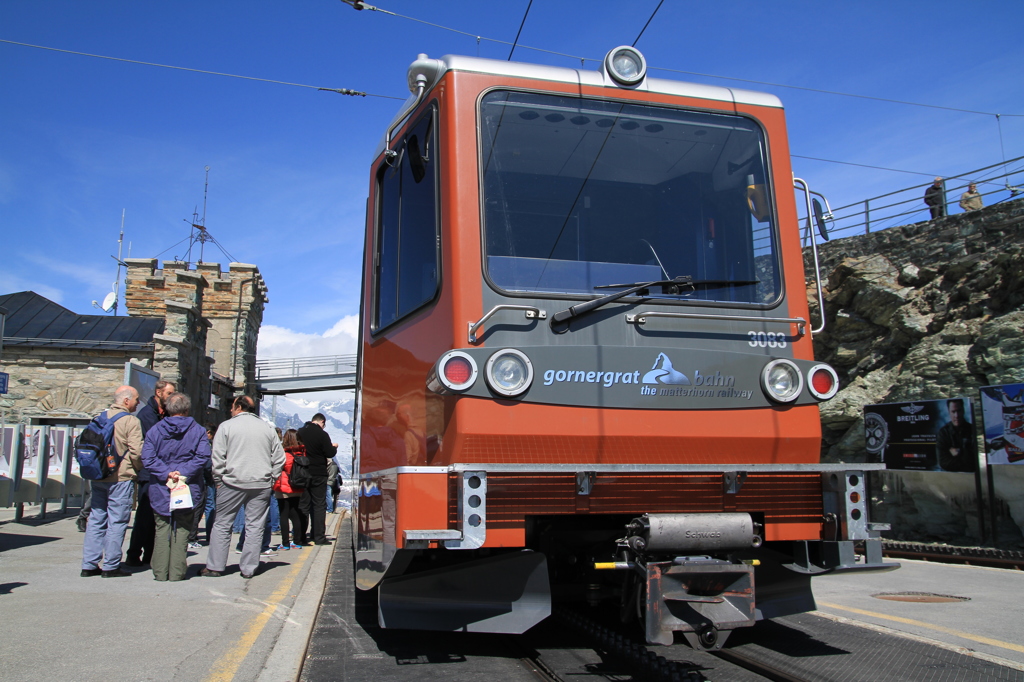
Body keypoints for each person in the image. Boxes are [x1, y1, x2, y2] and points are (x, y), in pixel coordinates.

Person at [202, 395, 284, 579]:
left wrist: (219, 479)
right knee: (255, 525)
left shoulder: (226, 426)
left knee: (223, 523)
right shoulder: (268, 429)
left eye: (232, 406)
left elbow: (217, 457)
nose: (231, 410)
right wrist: (272, 478)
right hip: (260, 483)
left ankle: (216, 566)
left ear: (238, 407)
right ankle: (249, 568)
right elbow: (279, 458)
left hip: (231, 482)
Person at [141, 392, 211, 581]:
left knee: (162, 528)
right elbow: (202, 456)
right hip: (187, 487)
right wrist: (182, 472)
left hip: (161, 486)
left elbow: (148, 458)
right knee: (182, 529)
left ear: (167, 409)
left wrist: (167, 473)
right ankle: (177, 572)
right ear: (187, 409)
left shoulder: (155, 430)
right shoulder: (197, 431)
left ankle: (160, 571)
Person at [80, 385, 143, 578]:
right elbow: (137, 452)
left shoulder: (100, 417)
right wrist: (138, 470)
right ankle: (111, 565)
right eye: (136, 399)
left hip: (98, 475)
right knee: (117, 520)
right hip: (120, 477)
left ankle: (89, 564)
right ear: (126, 401)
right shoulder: (130, 421)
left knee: (97, 518)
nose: (138, 403)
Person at [126, 379, 176, 567]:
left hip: (160, 472)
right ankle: (134, 554)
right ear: (159, 393)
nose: (171, 397)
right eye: (169, 393)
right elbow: (152, 445)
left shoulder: (164, 414)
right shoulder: (147, 415)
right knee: (145, 516)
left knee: (156, 516)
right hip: (149, 473)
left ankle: (150, 554)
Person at [297, 414, 337, 545]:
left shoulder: (300, 432)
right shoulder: (322, 434)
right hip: (318, 473)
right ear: (322, 422)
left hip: (302, 472)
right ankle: (318, 536)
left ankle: (301, 537)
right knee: (319, 505)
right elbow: (329, 453)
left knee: (303, 505)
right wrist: (334, 447)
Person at [275, 429, 307, 549]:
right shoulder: (302, 453)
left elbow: (279, 467)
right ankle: (297, 541)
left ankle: (285, 543)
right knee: (295, 513)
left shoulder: (284, 453)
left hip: (284, 486)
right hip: (297, 487)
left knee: (284, 514)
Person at [936, 398, 977, 472]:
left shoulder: (972, 430)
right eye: (953, 412)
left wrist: (959, 453)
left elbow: (975, 461)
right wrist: (965, 455)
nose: (956, 415)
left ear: (963, 410)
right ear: (949, 412)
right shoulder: (943, 433)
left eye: (959, 411)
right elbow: (943, 462)